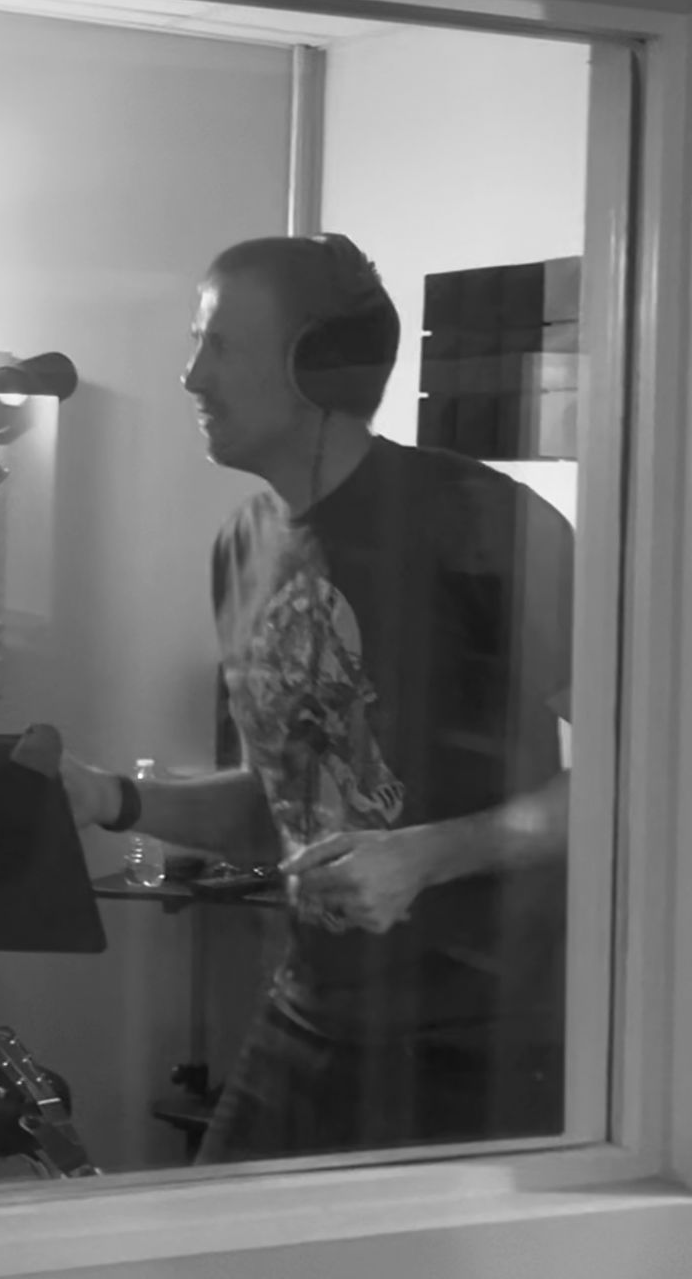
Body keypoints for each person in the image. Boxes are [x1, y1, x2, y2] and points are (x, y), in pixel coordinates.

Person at [45, 232, 574, 1163]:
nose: (191, 377)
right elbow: (284, 807)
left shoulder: (479, 520)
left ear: (319, 364)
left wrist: (428, 856)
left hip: (479, 1045)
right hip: (309, 1021)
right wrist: (113, 798)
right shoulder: (241, 549)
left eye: (219, 345)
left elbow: (645, 776)